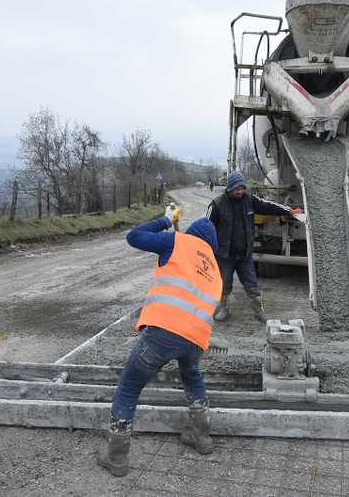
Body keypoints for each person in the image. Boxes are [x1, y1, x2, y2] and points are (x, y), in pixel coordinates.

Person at [97, 206, 222, 477]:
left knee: (129, 388)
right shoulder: (215, 269)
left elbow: (134, 236)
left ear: (192, 234)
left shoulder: (177, 240)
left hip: (163, 333)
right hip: (195, 341)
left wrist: (167, 220)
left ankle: (117, 458)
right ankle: (203, 438)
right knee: (192, 380)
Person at [205, 171, 302, 322]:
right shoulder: (217, 204)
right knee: (225, 283)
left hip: (244, 254)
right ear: (230, 188)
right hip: (224, 254)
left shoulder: (249, 200)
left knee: (251, 284)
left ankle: (259, 311)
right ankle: (223, 308)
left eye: (242, 188)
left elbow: (268, 206)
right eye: (237, 189)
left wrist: (288, 210)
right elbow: (205, 226)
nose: (240, 191)